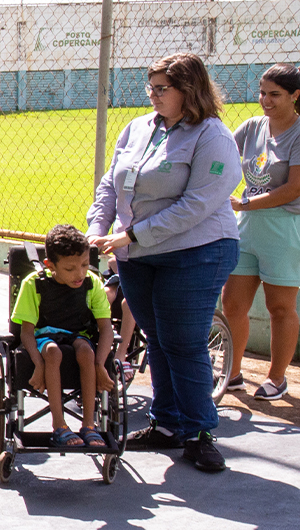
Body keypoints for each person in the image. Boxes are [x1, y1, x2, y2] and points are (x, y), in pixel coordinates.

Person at [87, 53, 241, 473]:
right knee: (158, 337)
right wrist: (97, 225)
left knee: (184, 341)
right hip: (139, 254)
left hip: (196, 252)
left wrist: (133, 234)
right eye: (149, 88)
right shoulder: (139, 128)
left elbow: (198, 205)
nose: (152, 95)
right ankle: (168, 425)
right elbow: (110, 182)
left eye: (161, 89)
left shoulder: (212, 136)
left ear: (188, 90)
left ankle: (200, 433)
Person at [222, 63, 300, 401]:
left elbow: (293, 189)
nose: (265, 100)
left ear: (295, 96)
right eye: (262, 92)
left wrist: (244, 204)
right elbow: (221, 158)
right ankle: (233, 373)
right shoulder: (253, 127)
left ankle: (277, 377)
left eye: (275, 94)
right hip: (247, 227)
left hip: (283, 228)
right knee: (233, 304)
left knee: (279, 307)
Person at [11, 225, 114, 447]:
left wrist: (101, 365)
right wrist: (37, 364)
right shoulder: (34, 283)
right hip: (44, 336)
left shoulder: (92, 283)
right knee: (52, 352)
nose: (79, 274)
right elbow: (26, 332)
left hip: (78, 334)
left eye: (85, 265)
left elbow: (106, 328)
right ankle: (59, 425)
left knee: (86, 352)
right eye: (70, 269)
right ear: (50, 265)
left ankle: (89, 425)